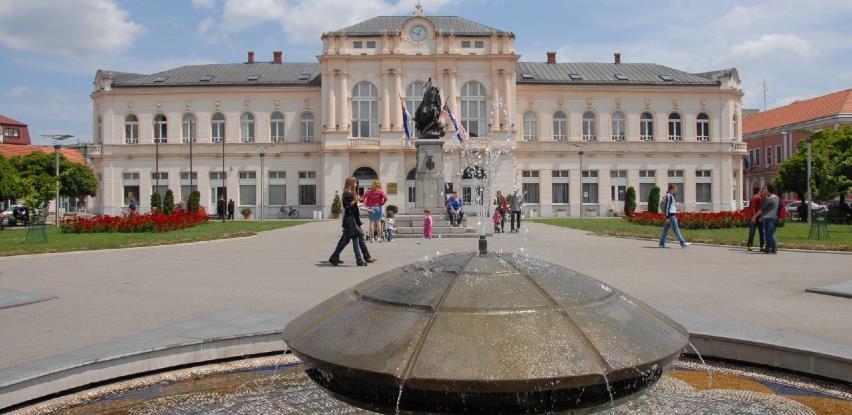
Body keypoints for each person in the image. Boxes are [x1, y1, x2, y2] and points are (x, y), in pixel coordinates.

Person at [329, 177, 368, 266]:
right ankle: (359, 260)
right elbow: (347, 206)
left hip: (352, 219)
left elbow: (354, 208)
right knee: (354, 239)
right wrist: (356, 200)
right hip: (350, 220)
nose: (356, 184)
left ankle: (334, 257)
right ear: (350, 183)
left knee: (348, 240)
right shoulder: (347, 193)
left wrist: (359, 201)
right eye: (355, 182)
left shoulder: (352, 193)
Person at [658, 184, 689, 248]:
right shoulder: (669, 196)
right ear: (671, 189)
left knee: (665, 230)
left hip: (670, 215)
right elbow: (667, 207)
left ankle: (661, 244)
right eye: (675, 189)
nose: (676, 190)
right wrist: (667, 217)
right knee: (676, 229)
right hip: (670, 216)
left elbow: (670, 207)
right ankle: (683, 243)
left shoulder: (670, 196)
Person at [755, 185, 780, 254]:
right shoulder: (777, 198)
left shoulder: (770, 199)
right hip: (774, 218)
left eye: (766, 189)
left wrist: (754, 217)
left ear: (768, 190)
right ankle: (769, 248)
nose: (764, 190)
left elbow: (762, 209)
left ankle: (773, 248)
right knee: (769, 234)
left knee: (770, 234)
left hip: (769, 219)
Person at [746, 187, 765, 251]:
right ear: (760, 191)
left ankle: (751, 246)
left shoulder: (761, 197)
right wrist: (753, 217)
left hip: (758, 217)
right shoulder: (757, 197)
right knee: (759, 232)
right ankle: (760, 246)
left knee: (755, 232)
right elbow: (753, 207)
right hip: (756, 217)